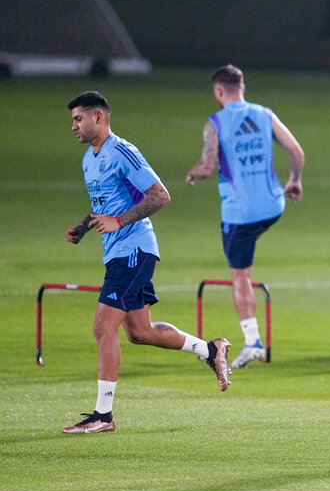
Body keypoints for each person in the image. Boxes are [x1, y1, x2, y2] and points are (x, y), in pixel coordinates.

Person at [63, 91, 231, 434]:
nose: (74, 126)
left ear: (99, 117)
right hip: (117, 252)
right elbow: (104, 204)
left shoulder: (122, 151)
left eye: (78, 119)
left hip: (134, 249)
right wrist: (83, 227)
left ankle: (103, 416)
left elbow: (160, 195)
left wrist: (120, 222)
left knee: (102, 326)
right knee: (140, 332)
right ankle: (209, 349)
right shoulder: (89, 160)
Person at [186, 64, 305, 370]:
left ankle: (252, 342)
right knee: (244, 262)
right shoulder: (265, 114)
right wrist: (295, 180)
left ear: (218, 91)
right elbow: (296, 150)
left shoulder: (214, 123)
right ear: (243, 87)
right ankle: (252, 341)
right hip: (273, 205)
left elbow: (208, 166)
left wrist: (194, 173)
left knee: (240, 276)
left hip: (241, 213)